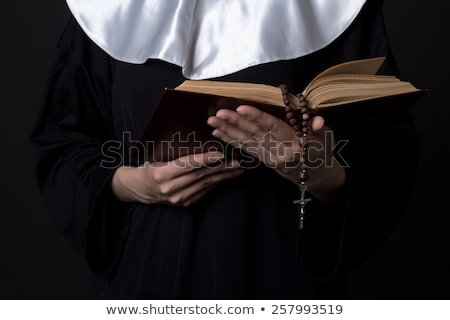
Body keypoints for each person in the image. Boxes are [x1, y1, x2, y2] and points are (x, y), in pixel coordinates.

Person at [31, 0, 418, 299]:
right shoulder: (105, 12)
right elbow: (62, 144)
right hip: (150, 274)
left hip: (282, 273)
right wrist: (132, 183)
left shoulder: (342, 10)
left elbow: (387, 156)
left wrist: (322, 173)